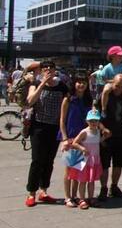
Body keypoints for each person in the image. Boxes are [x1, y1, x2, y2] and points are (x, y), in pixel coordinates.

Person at [24, 60, 69, 207]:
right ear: (41, 71)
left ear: (55, 70)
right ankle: (31, 192)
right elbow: (30, 101)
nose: (48, 70)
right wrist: (43, 83)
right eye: (45, 68)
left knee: (49, 161)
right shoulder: (35, 84)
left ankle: (43, 191)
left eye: (51, 68)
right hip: (38, 127)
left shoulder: (62, 87)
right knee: (37, 160)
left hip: (54, 128)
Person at [59, 73, 93, 208]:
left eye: (83, 82)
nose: (81, 85)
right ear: (74, 84)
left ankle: (75, 196)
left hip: (84, 138)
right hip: (71, 137)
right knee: (69, 170)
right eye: (78, 82)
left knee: (79, 169)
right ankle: (67, 197)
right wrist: (65, 138)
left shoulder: (88, 100)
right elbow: (62, 120)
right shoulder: (68, 99)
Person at [99, 73, 122, 200]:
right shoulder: (106, 94)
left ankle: (114, 187)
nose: (119, 89)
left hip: (121, 133)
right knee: (104, 164)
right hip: (106, 134)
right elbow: (99, 114)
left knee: (118, 163)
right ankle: (103, 188)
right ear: (111, 84)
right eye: (117, 86)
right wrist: (103, 129)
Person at [68, 109, 111, 209]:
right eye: (91, 121)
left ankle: (91, 198)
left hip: (94, 160)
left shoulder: (97, 131)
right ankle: (82, 199)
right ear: (87, 121)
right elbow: (75, 142)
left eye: (95, 121)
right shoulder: (84, 132)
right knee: (83, 180)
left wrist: (105, 137)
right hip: (85, 160)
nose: (93, 123)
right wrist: (82, 148)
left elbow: (98, 141)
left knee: (91, 181)